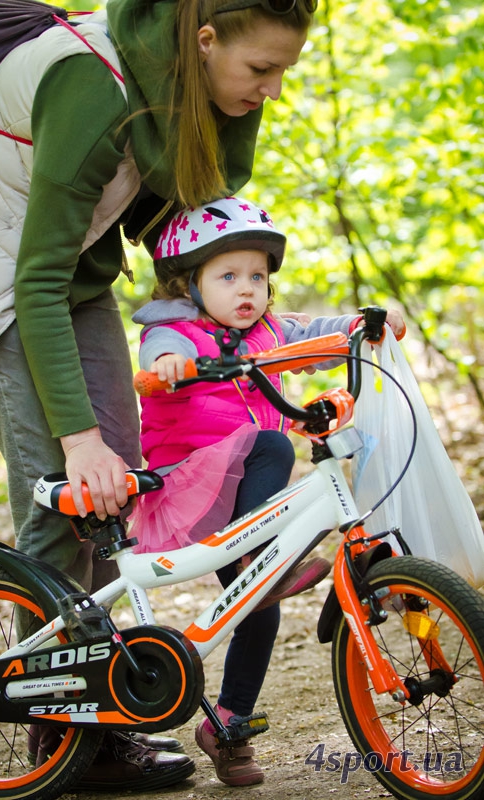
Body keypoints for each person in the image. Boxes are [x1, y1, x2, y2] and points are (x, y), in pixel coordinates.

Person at [0, 0, 318, 790]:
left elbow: (192, 210)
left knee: (113, 494)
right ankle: (60, 740)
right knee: (67, 496)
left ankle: (100, 705)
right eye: (262, 70)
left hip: (70, 270)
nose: (274, 91)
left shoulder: (185, 96)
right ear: (206, 39)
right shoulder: (94, 90)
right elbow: (33, 278)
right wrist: (77, 440)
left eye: (284, 70)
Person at [129, 196, 406, 787]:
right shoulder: (175, 331)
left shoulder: (269, 332)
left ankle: (229, 722)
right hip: (189, 485)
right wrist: (174, 364)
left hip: (245, 504)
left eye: (257, 275)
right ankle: (262, 559)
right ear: (189, 282)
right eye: (228, 276)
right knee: (275, 445)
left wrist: (364, 326)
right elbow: (155, 354)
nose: (246, 289)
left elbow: (315, 332)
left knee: (259, 607)